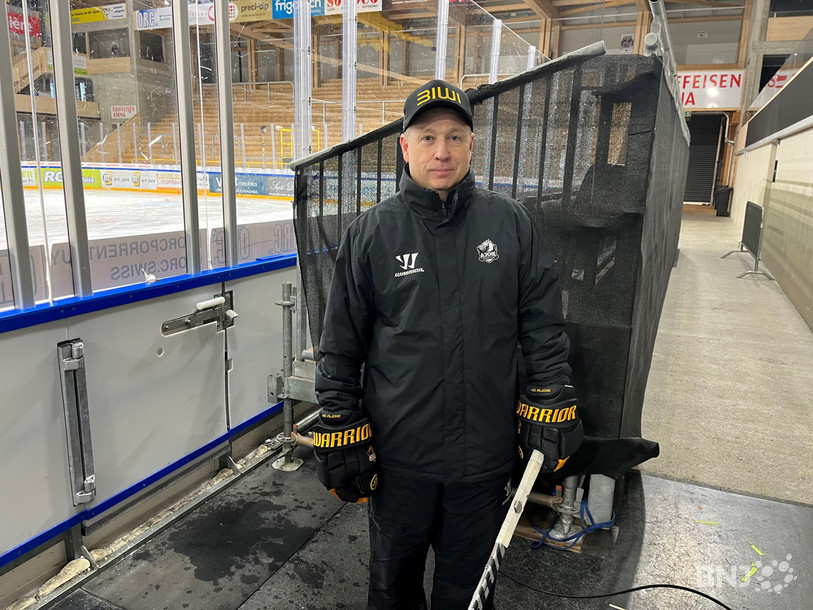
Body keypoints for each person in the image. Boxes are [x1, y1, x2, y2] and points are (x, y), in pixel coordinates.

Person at [311, 79, 584, 609]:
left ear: (472, 145)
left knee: (467, 593)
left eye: (455, 137)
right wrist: (340, 421)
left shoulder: (511, 224)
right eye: (429, 136)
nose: (442, 151)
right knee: (392, 592)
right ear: (404, 146)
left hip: (483, 459)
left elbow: (542, 326)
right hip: (399, 460)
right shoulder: (371, 233)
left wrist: (553, 393)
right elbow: (340, 343)